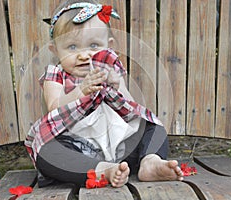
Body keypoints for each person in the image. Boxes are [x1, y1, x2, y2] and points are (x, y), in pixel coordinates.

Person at [25, 0, 183, 188]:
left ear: (108, 46)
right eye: (73, 47)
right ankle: (101, 170)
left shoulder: (110, 70)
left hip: (119, 144)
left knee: (153, 127)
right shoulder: (56, 74)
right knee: (47, 152)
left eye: (93, 45)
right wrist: (81, 90)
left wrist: (117, 84)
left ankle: (150, 161)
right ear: (55, 50)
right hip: (77, 145)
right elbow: (54, 106)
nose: (84, 55)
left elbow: (132, 108)